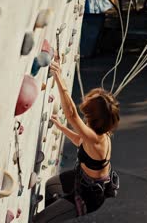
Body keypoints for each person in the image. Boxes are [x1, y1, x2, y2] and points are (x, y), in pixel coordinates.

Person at [33, 58, 120, 222]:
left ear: (94, 118)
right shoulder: (97, 134)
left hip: (89, 196)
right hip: (81, 179)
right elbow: (80, 141)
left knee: (40, 220)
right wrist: (61, 127)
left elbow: (72, 114)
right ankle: (55, 216)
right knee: (51, 186)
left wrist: (58, 77)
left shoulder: (96, 139)